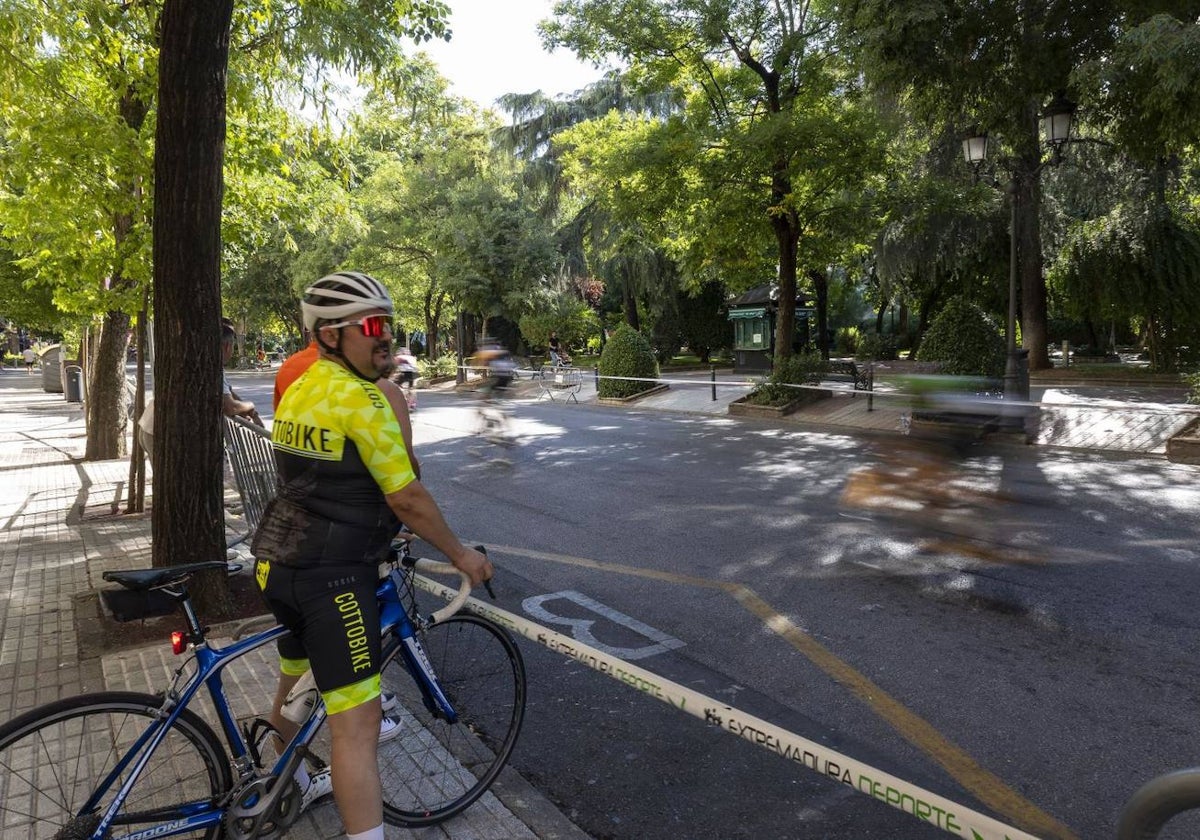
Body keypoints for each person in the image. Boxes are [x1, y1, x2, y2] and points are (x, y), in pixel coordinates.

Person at [251, 271, 490, 840]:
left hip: (275, 564)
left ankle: (282, 784)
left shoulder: (303, 388)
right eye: (374, 326)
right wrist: (460, 555)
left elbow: (323, 483)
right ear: (332, 336)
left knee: (298, 680)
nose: (387, 337)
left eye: (389, 323)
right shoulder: (364, 400)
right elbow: (407, 494)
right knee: (355, 735)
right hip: (332, 579)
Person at [221, 323, 263, 426]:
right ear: (227, 346)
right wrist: (250, 405)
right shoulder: (214, 371)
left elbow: (229, 393)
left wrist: (251, 412)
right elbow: (231, 407)